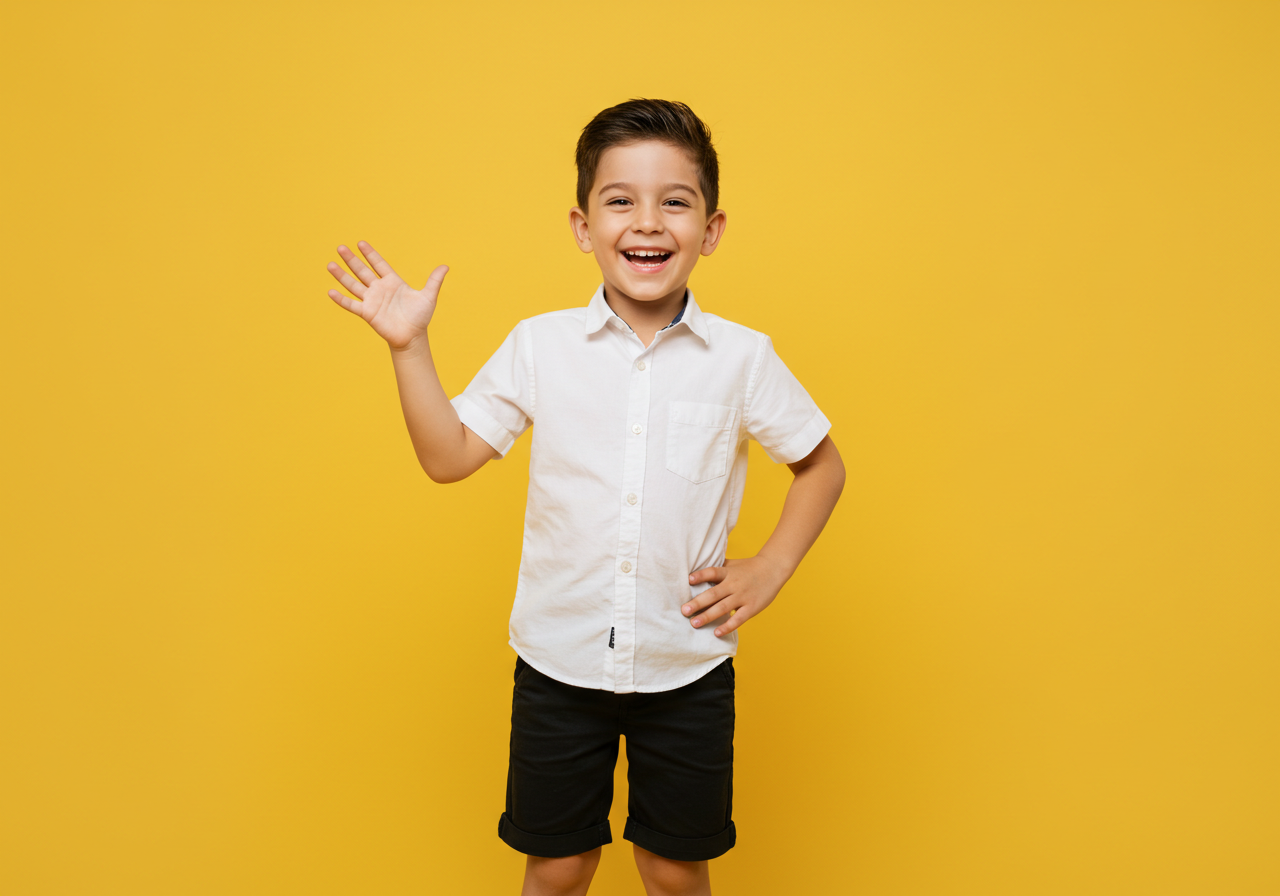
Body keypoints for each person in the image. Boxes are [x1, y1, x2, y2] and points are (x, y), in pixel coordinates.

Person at [325, 98, 845, 896]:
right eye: (620, 200)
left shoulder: (742, 359)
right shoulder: (540, 345)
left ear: (711, 230)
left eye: (675, 201)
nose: (648, 222)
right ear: (581, 225)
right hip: (559, 661)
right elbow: (448, 456)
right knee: (560, 866)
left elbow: (822, 466)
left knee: (674, 870)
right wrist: (410, 348)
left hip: (687, 667)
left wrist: (771, 566)